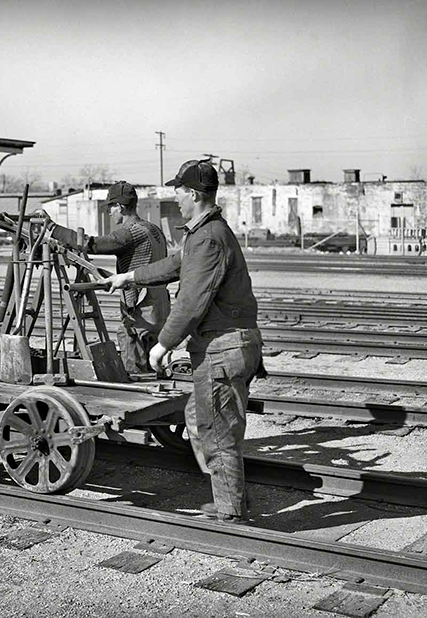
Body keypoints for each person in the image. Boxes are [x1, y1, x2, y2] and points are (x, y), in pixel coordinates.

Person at [103, 161, 264, 523]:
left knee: (215, 428)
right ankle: (233, 495)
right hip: (230, 343)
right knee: (199, 415)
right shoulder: (204, 234)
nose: (174, 197)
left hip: (223, 346)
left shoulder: (207, 237)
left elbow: (192, 299)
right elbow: (174, 265)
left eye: (178, 190)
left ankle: (231, 514)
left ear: (193, 194)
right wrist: (130, 276)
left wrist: (163, 344)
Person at [35, 181, 170, 374]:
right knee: (153, 361)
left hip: (141, 307)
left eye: (110, 207)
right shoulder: (154, 229)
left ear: (120, 207)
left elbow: (93, 245)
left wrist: (53, 228)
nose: (109, 212)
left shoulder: (130, 232)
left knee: (133, 356)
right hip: (160, 305)